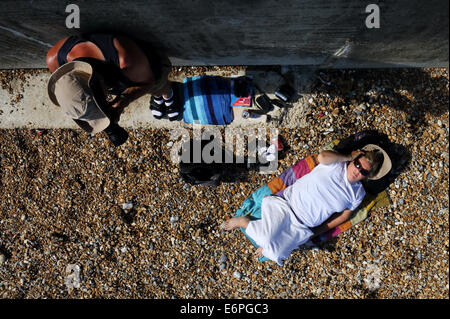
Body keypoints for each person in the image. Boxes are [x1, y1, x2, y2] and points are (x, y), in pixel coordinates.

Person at [224, 144, 392, 265]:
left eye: (363, 171)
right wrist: (348, 156)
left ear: (367, 176)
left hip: (303, 225)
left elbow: (345, 215)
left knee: (277, 254)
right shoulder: (336, 164)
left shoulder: (358, 193)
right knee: (266, 238)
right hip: (287, 205)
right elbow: (321, 156)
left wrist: (319, 231)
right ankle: (243, 221)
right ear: (354, 160)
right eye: (357, 164)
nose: (357, 170)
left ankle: (266, 242)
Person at [46, 33, 179, 146]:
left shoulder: (126, 61)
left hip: (151, 66)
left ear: (101, 82)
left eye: (104, 100)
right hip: (123, 75)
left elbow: (148, 82)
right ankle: (159, 97)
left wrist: (124, 100)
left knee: (158, 86)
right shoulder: (55, 60)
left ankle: (167, 94)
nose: (108, 99)